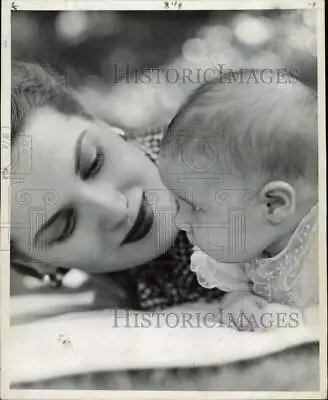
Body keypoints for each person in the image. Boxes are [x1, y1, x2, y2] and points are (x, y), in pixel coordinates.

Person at [10, 60, 225, 311]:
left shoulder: (237, 161)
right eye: (65, 227)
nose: (116, 209)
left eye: (94, 164)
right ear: (37, 264)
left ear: (105, 125)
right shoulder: (109, 295)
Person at [158, 69, 319, 329]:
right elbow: (238, 292)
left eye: (197, 207)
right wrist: (238, 299)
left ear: (273, 204)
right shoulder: (244, 249)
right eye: (179, 204)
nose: (181, 221)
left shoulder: (316, 244)